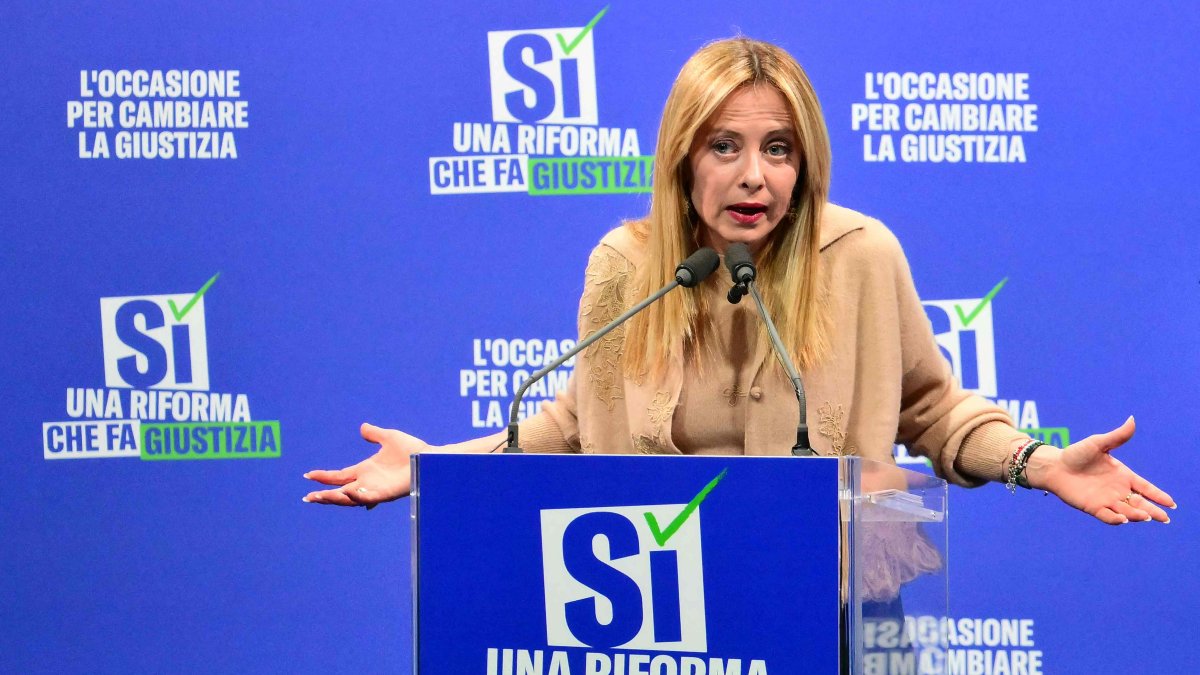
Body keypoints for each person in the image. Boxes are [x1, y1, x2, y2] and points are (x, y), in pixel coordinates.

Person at [303, 37, 1175, 526]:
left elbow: (934, 410)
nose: (754, 176)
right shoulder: (626, 267)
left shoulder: (862, 257)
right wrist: (431, 467)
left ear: (806, 163)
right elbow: (571, 423)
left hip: (818, 608)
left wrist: (1043, 464)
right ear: (684, 157)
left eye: (778, 149)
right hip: (659, 613)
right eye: (725, 146)